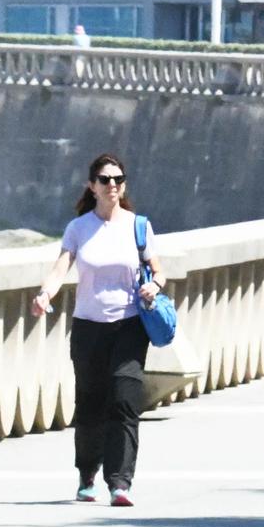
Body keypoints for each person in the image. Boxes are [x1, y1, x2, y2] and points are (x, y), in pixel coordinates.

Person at [31, 152, 164, 506]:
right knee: (90, 403)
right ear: (92, 186)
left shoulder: (139, 226)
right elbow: (61, 268)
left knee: (124, 400)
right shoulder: (79, 228)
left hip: (129, 324)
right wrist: (45, 294)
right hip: (89, 326)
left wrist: (155, 286)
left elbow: (158, 270)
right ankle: (87, 473)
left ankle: (120, 482)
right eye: (105, 180)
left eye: (118, 180)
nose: (113, 186)